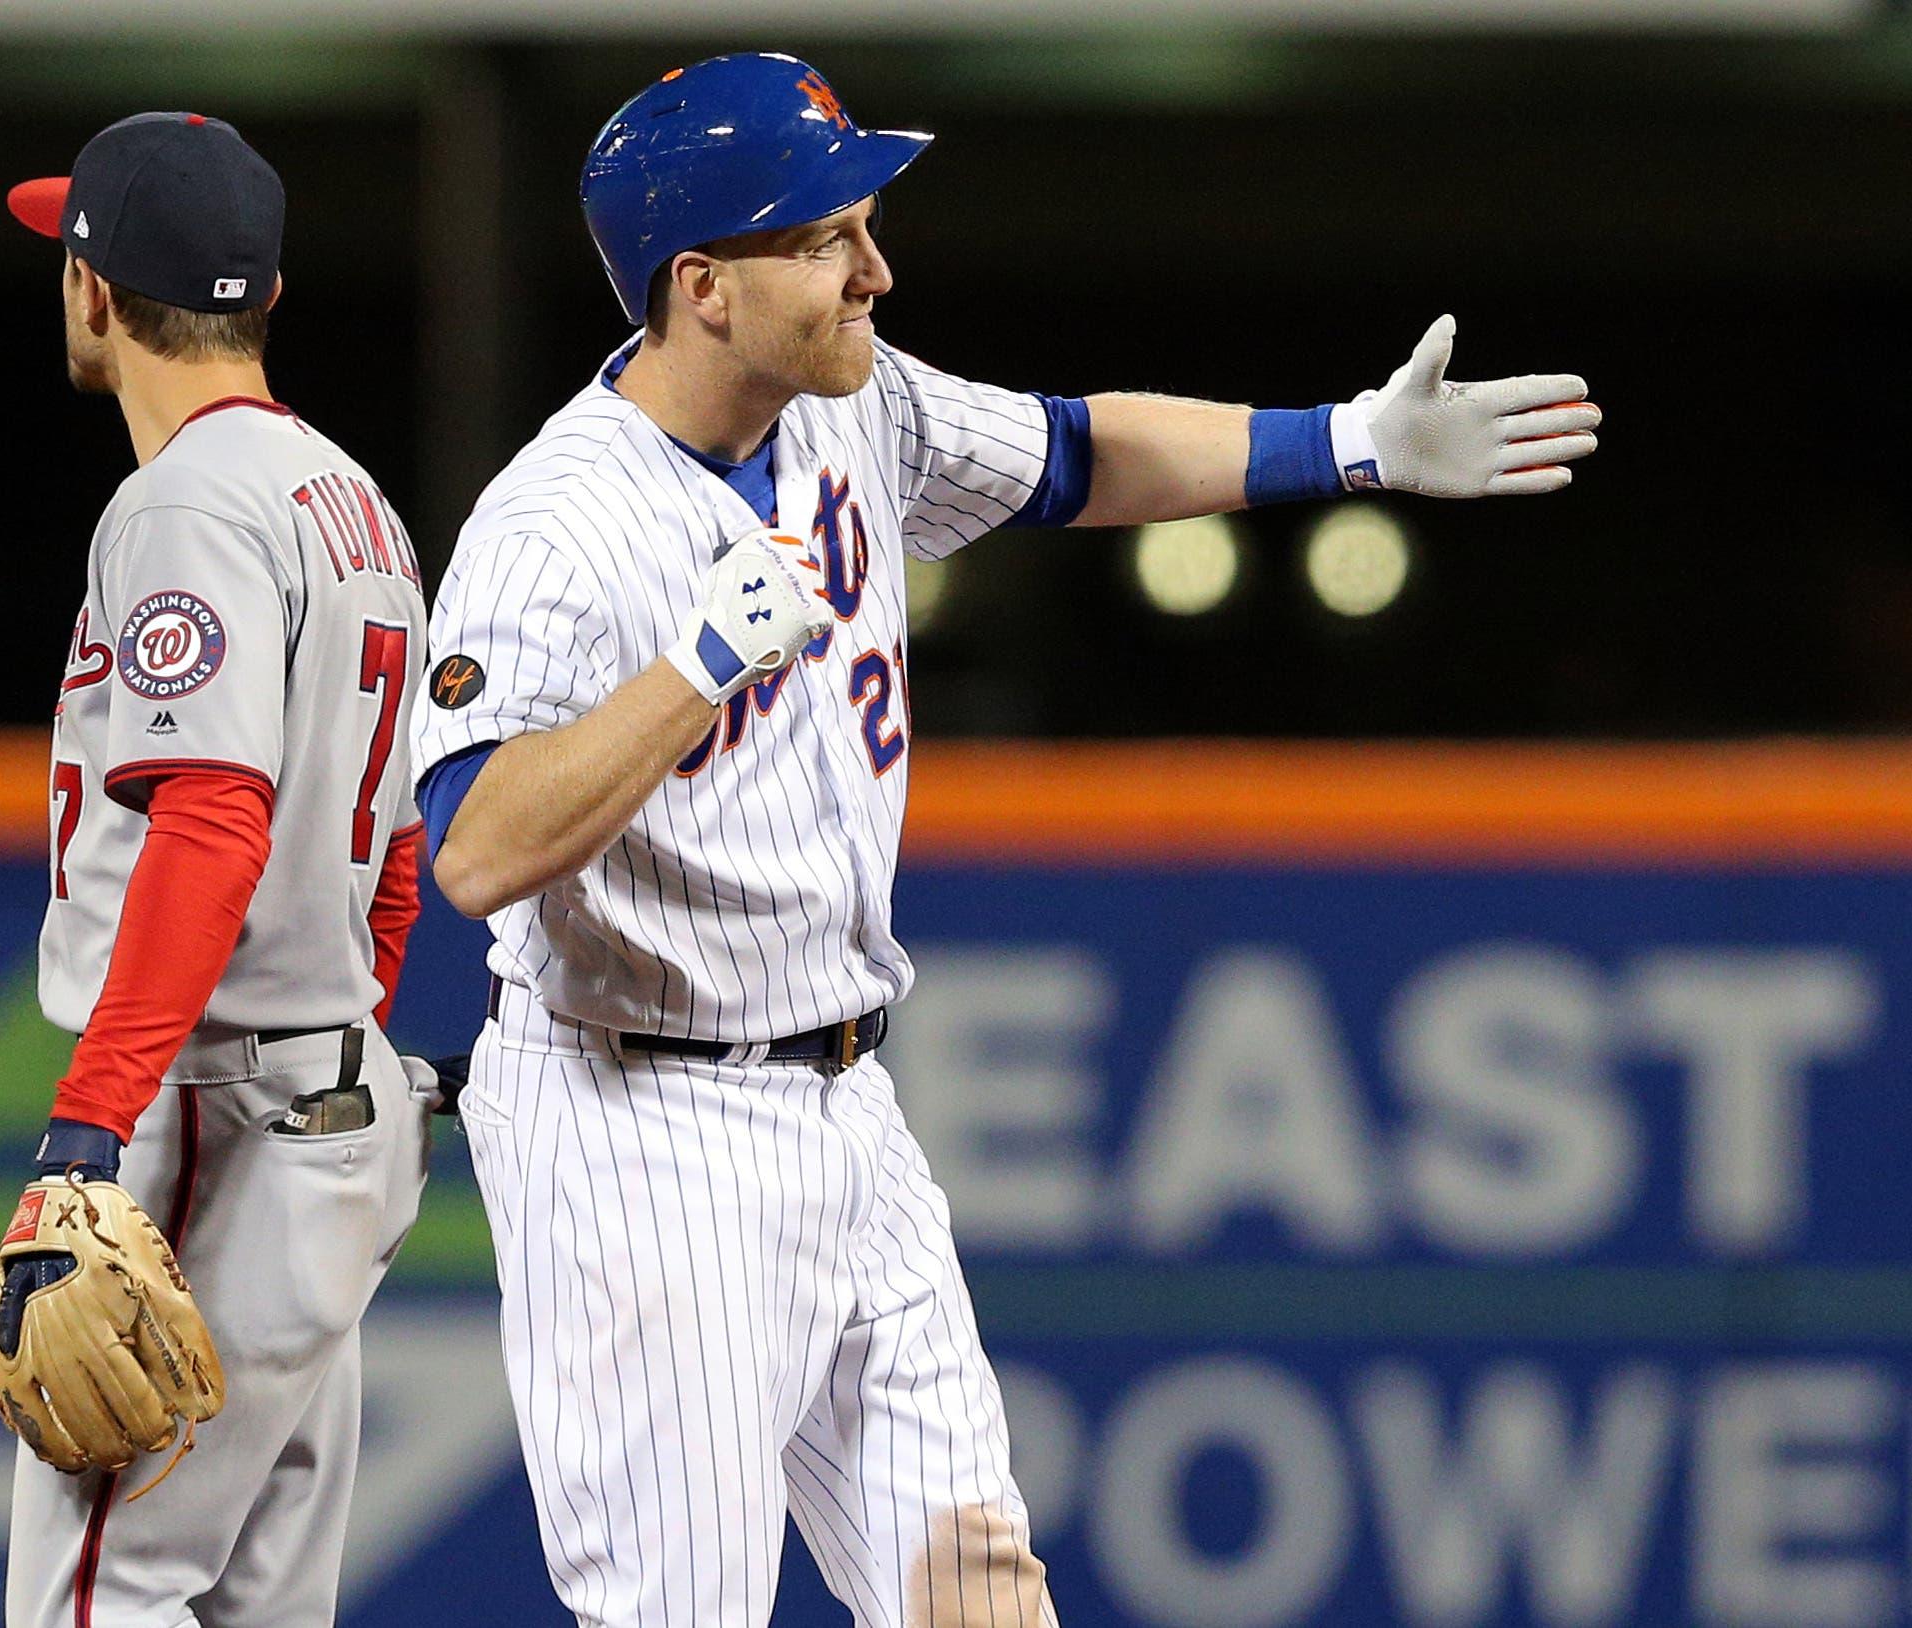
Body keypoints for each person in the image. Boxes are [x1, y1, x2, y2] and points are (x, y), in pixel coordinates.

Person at [412, 52, 1601, 1627]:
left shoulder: (853, 408)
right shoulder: (555, 526)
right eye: (828, 238)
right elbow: (477, 850)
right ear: (701, 286)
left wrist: (1349, 447)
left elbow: (1071, 453)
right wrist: (690, 672)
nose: (875, 271)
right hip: (645, 1122)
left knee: (976, 1603)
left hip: (845, 1101)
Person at [0, 110, 435, 1628]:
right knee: (256, 1606)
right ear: (266, 300)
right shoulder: (354, 501)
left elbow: (212, 819)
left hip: (216, 1113)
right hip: (330, 1107)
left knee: (102, 1599)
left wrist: (88, 1126)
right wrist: (354, 1031)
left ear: (94, 297)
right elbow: (397, 847)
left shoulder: (182, 500)